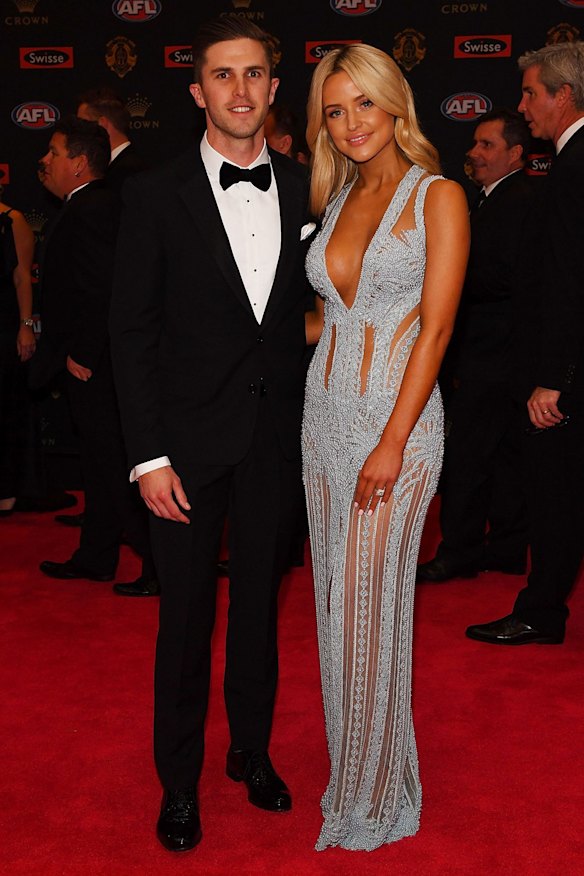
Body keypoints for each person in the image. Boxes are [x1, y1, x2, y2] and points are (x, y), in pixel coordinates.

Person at [109, 18, 311, 853]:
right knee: (186, 622)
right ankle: (180, 785)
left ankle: (252, 754)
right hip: (184, 453)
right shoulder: (155, 193)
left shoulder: (309, 188)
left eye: (253, 74)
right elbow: (131, 332)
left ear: (272, 89)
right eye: (221, 76)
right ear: (197, 92)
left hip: (278, 443)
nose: (238, 90)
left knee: (260, 614)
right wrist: (148, 456)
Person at [302, 44, 469, 850]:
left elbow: (435, 329)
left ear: (394, 104)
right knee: (336, 611)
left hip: (393, 432)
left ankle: (372, 799)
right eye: (335, 110)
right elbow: (333, 317)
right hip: (321, 423)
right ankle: (359, 772)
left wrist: (393, 442)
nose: (351, 123)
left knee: (371, 610)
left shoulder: (436, 195)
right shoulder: (336, 198)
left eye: (363, 103)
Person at [467, 41, 584, 646]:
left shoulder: (573, 168)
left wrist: (556, 377)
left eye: (531, 94)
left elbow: (569, 282)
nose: (523, 106)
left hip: (563, 374)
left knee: (557, 498)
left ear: (564, 96)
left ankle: (541, 613)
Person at [29, 116, 158, 597]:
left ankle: (160, 565)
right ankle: (97, 556)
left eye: (55, 152)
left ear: (79, 164)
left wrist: (84, 352)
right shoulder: (89, 205)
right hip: (93, 359)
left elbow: (105, 288)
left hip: (96, 363)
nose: (45, 160)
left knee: (113, 464)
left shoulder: (92, 209)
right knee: (102, 465)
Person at [417, 109, 534, 583]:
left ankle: (461, 551)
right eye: (474, 144)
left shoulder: (518, 201)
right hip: (500, 354)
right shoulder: (491, 200)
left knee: (468, 456)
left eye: (487, 145)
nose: (474, 153)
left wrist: (445, 281)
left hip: (493, 353)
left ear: (516, 154)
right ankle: (504, 548)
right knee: (505, 455)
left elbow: (508, 277)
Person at [0, 187, 35, 515]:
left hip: (3, 324)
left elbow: (22, 276)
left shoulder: (12, 221)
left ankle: (7, 489)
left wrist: (26, 325)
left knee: (5, 409)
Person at [76, 88, 148, 192]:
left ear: (101, 124)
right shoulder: (115, 168)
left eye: (82, 124)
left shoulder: (128, 172)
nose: (77, 132)